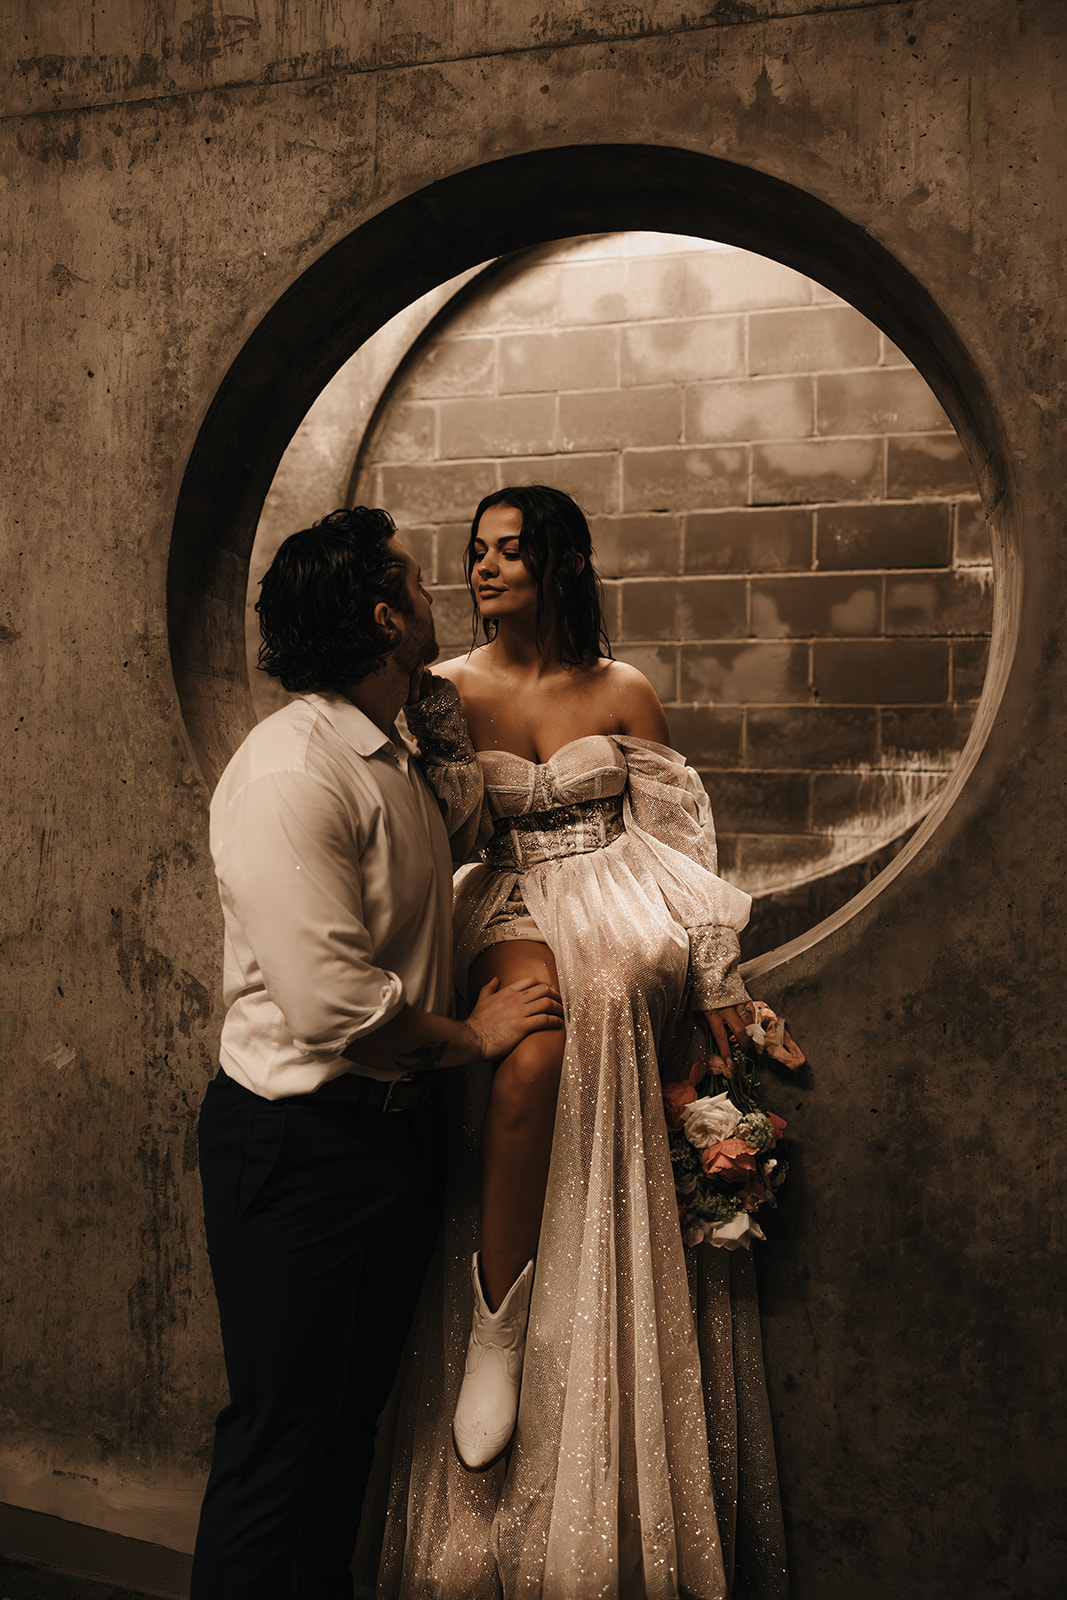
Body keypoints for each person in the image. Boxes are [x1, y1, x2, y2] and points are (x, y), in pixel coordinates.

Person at [373, 487, 790, 1599]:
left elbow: (680, 841)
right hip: (506, 905)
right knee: (552, 1020)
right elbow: (439, 838)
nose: (485, 568)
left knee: (614, 976)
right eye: (474, 553)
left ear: (561, 562)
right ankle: (495, 1329)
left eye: (511, 550)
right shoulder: (446, 691)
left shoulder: (623, 688)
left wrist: (717, 986)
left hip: (622, 901)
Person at [189, 507, 563, 1600]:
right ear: (384, 613)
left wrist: (442, 711)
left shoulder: (390, 749)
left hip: (386, 1142)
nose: (440, 591)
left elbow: (455, 843)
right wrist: (474, 1035)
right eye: (413, 580)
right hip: (297, 1149)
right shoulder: (288, 772)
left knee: (347, 1435)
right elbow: (334, 1007)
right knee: (280, 1447)